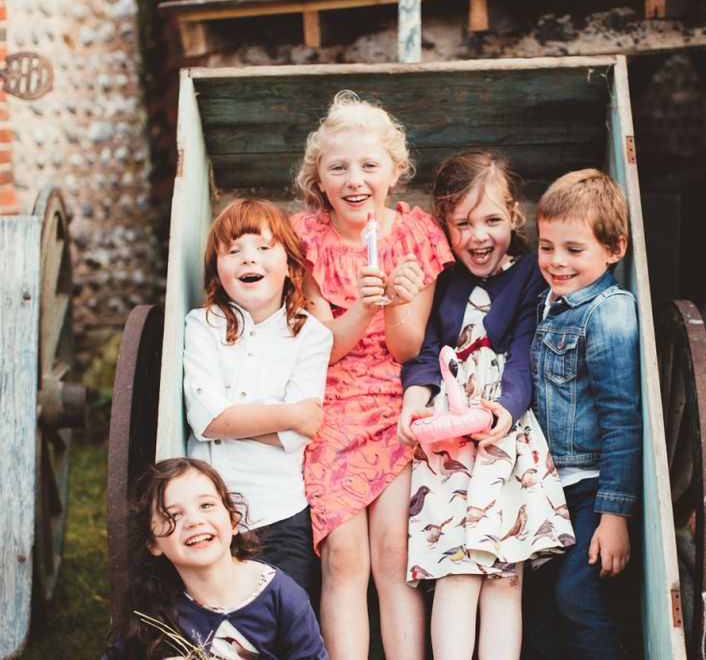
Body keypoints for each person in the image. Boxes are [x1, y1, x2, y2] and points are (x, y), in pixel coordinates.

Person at [292, 90, 453, 659]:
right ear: (320, 178)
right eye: (338, 167)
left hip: (396, 403)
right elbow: (323, 353)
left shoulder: (418, 235)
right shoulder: (305, 240)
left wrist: (393, 303)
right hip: (329, 405)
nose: (354, 179)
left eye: (368, 165)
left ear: (393, 172)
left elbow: (409, 347)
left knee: (392, 556)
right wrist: (361, 305)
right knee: (344, 558)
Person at [398, 151, 574, 660]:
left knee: (503, 575)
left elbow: (523, 354)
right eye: (464, 222)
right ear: (445, 225)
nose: (480, 236)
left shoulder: (529, 276)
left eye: (492, 220)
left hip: (504, 434)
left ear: (513, 216)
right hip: (447, 436)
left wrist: (505, 411)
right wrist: (415, 404)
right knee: (456, 567)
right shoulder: (441, 278)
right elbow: (426, 353)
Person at [183, 198, 332, 598]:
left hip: (279, 512)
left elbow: (299, 436)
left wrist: (233, 421)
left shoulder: (312, 335)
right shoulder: (202, 325)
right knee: (220, 625)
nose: (249, 258)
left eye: (264, 248)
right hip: (209, 513)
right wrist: (287, 415)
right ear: (218, 268)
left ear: (290, 266)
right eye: (233, 251)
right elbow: (206, 419)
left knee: (285, 619)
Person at [524, 169, 642, 659]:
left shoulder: (608, 313)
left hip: (592, 490)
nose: (556, 261)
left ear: (614, 249)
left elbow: (622, 418)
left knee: (577, 596)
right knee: (538, 608)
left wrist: (614, 515)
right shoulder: (548, 303)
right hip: (548, 487)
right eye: (547, 246)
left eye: (574, 250)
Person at [104, 457, 328, 660]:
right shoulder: (153, 606)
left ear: (232, 520)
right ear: (153, 543)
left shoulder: (281, 595)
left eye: (206, 505)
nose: (194, 521)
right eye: (173, 515)